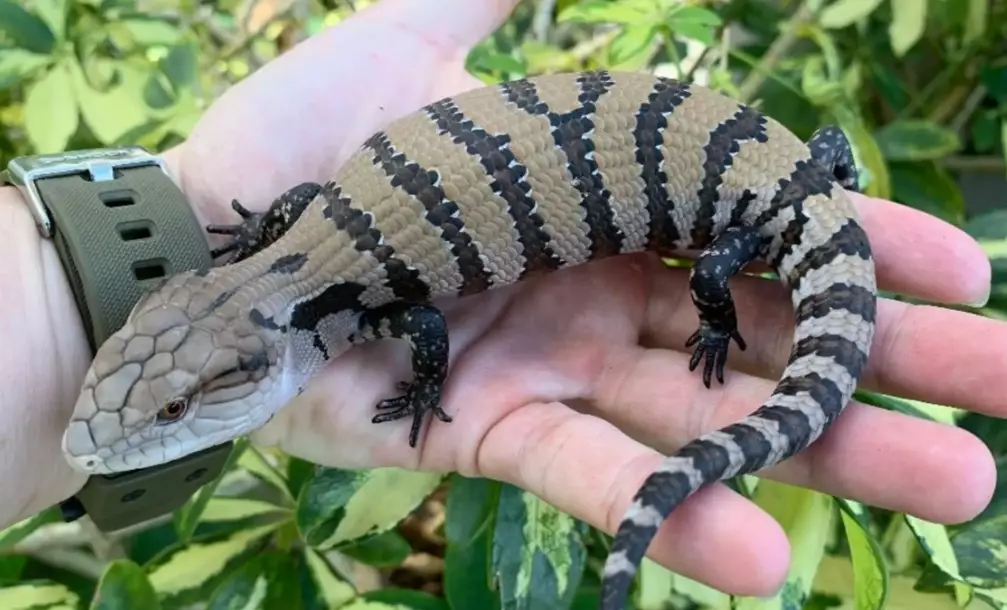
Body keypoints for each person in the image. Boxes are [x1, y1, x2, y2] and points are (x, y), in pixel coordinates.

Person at [2, 0, 1002, 596]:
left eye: (177, 407)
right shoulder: (303, 248)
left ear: (256, 362)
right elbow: (303, 211)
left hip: (740, 199)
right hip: (760, 169)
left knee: (735, 293)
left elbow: (424, 324)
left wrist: (716, 312)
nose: (147, 425)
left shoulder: (342, 300)